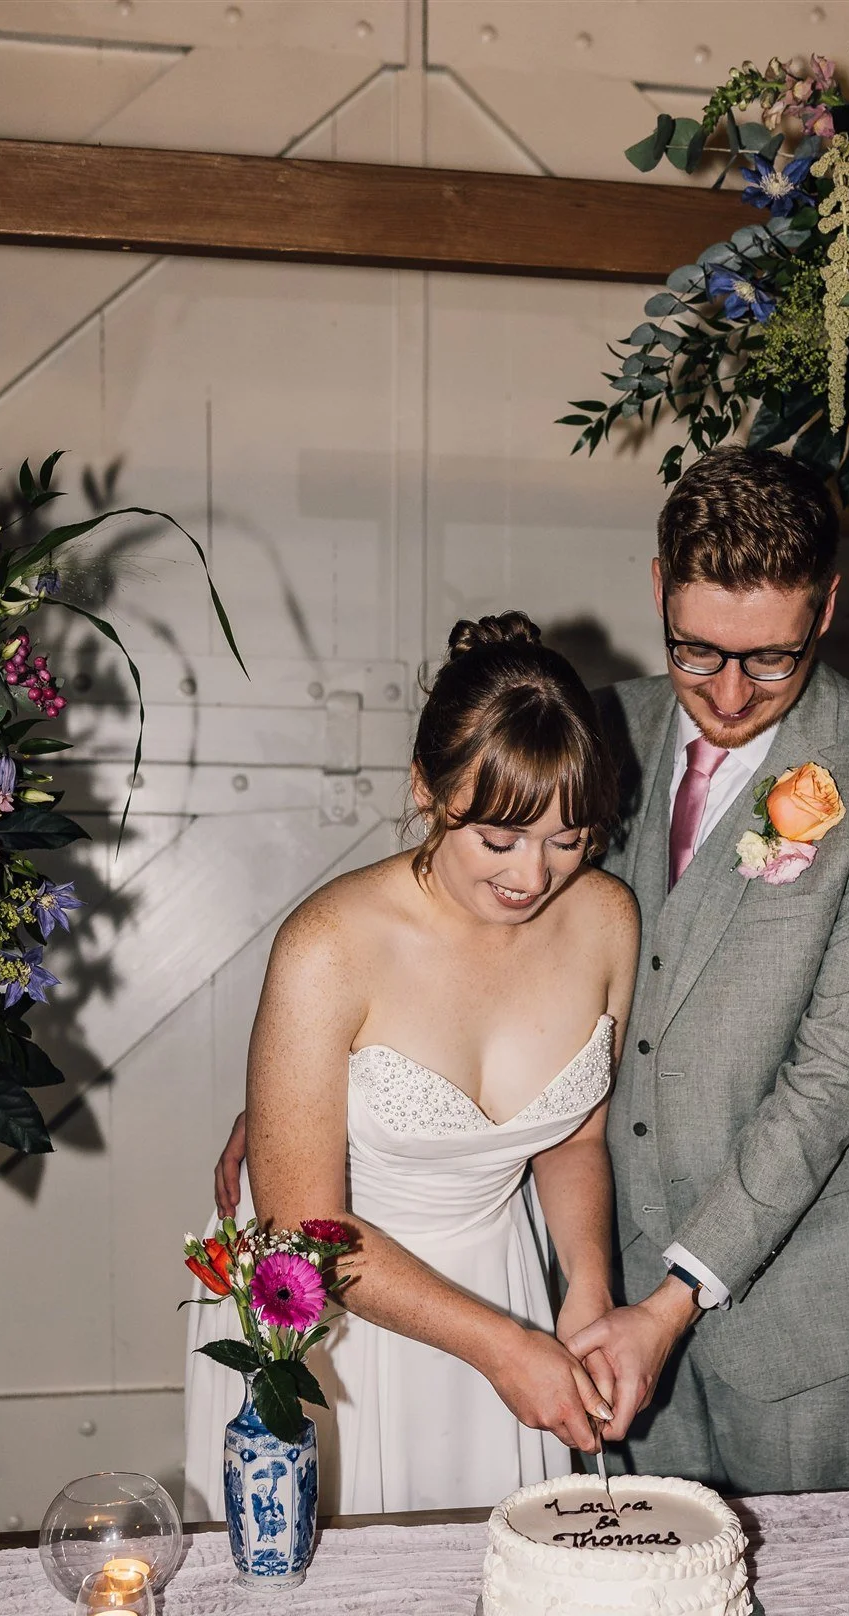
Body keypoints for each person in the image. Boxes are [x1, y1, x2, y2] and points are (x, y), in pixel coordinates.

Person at [213, 448, 849, 1498]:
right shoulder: (584, 731)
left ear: (829, 607)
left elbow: (837, 1072)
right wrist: (301, 1093)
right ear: (658, 589)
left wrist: (665, 1300)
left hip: (804, 1316)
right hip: (580, 1294)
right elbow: (442, 936)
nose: (732, 692)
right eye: (698, 652)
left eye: (773, 660)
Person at [186, 613, 637, 1518]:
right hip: (333, 1314)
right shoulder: (328, 946)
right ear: (426, 792)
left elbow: (571, 1139)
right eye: (499, 838)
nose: (533, 875)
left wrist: (583, 1294)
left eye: (568, 837)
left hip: (501, 1275)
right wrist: (504, 1348)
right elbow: (302, 1229)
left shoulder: (606, 920)